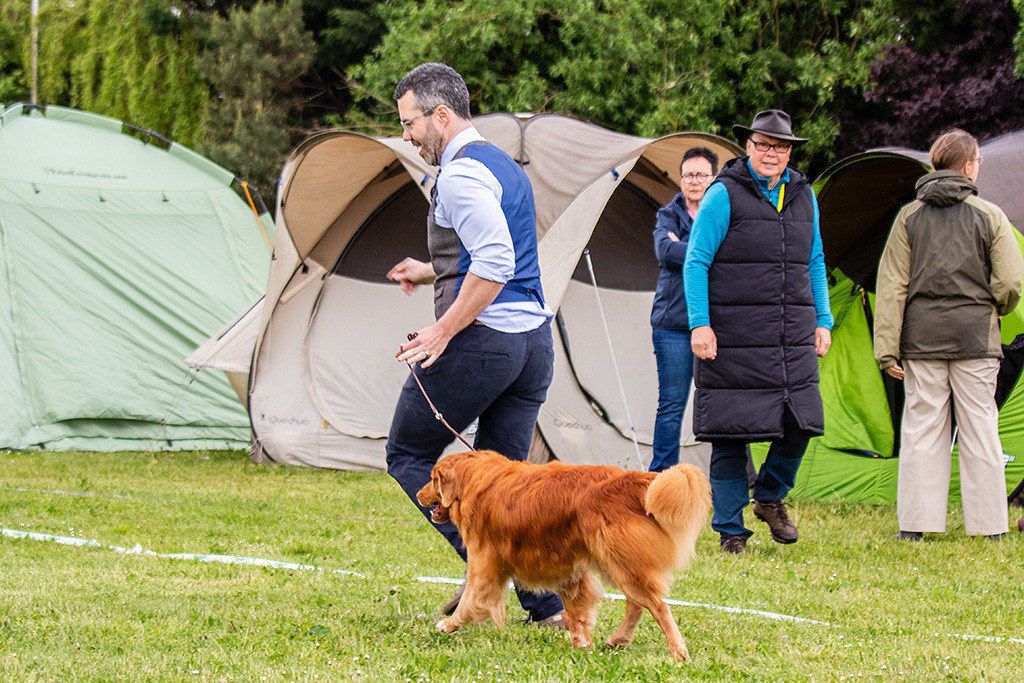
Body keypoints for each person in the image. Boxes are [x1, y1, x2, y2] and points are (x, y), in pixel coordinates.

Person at [384, 63, 565, 626]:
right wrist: (431, 268)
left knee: (407, 454)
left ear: (442, 114)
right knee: (505, 485)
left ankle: (488, 576)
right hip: (534, 345)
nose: (407, 137)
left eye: (410, 124)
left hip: (487, 345)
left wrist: (441, 329)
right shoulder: (504, 165)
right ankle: (548, 606)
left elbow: (494, 262)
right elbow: (488, 254)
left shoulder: (460, 175)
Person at [684, 109, 833, 555]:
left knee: (802, 424)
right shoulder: (722, 195)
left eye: (781, 146)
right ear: (748, 146)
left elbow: (816, 262)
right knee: (731, 432)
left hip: (791, 336)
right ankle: (731, 531)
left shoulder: (806, 196)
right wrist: (700, 324)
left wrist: (823, 319)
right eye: (764, 144)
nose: (772, 153)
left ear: (790, 151)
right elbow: (696, 261)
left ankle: (768, 495)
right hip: (731, 337)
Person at [874, 129, 1023, 542]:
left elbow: (892, 287)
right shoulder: (990, 215)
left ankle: (916, 526)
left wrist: (887, 350)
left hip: (921, 341)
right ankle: (990, 527)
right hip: (975, 338)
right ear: (970, 166)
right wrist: (993, 308)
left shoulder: (908, 217)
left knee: (923, 429)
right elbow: (1011, 281)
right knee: (980, 428)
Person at [649, 147, 718, 472]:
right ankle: (659, 478)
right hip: (672, 325)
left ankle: (737, 480)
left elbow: (728, 255)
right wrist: (707, 252)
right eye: (689, 175)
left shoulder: (721, 213)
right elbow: (664, 251)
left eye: (701, 175)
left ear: (713, 179)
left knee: (724, 402)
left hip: (715, 325)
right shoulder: (667, 214)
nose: (694, 181)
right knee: (672, 406)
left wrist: (684, 248)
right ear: (681, 179)